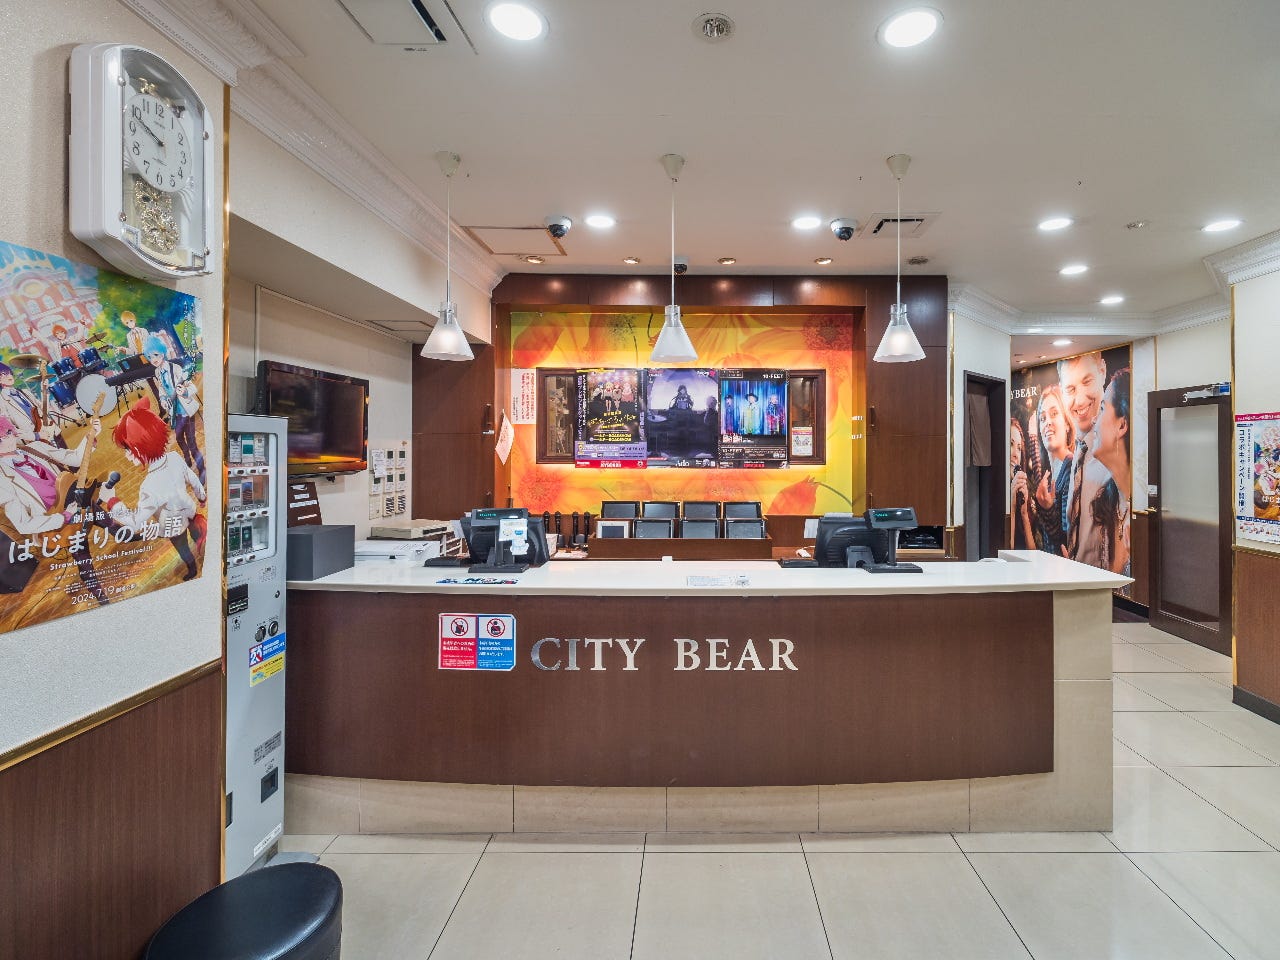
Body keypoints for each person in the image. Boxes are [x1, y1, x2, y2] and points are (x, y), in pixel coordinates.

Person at [0, 412, 112, 604]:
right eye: (2, 437)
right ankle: (101, 597)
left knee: (108, 521)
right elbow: (23, 523)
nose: (9, 438)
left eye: (9, 432)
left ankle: (131, 534)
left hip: (76, 501)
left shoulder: (34, 448)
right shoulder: (2, 480)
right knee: (83, 558)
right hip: (58, 524)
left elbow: (75, 458)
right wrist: (63, 516)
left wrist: (91, 435)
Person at [101, 397, 207, 582]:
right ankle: (202, 547)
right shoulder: (174, 457)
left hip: (173, 526)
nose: (126, 456)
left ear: (142, 445)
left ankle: (192, 569)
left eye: (128, 449)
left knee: (183, 548)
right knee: (195, 530)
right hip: (189, 509)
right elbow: (192, 478)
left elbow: (135, 522)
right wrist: (202, 497)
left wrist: (112, 500)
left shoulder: (148, 486)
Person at [1058, 351, 1110, 567]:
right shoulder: (1079, 451)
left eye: (1087, 382)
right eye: (1070, 389)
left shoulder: (1114, 447)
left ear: (1102, 371)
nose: (1079, 400)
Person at [145, 336, 205, 484]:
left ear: (162, 353)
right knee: (179, 438)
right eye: (150, 357)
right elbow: (162, 389)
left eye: (156, 355)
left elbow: (192, 387)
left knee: (192, 443)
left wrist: (184, 391)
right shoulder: (157, 372)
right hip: (175, 413)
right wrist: (163, 400)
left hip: (186, 411)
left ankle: (202, 470)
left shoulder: (176, 369)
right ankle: (187, 461)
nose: (153, 359)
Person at [1091, 368, 1132, 577]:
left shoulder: (1146, 508)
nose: (1093, 421)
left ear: (1122, 425)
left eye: (1101, 409)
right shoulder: (1109, 503)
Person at [1031, 384, 1076, 556]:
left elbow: (1066, 541)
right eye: (1042, 418)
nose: (1048, 422)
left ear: (1067, 423)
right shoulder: (1049, 473)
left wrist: (1048, 508)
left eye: (1054, 413)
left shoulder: (1071, 468)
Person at [1009, 419, 1036, 548]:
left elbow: (1033, 554)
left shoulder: (1023, 493)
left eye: (1019, 448)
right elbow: (1007, 551)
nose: (1016, 454)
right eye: (1011, 444)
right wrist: (1012, 508)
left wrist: (1024, 514)